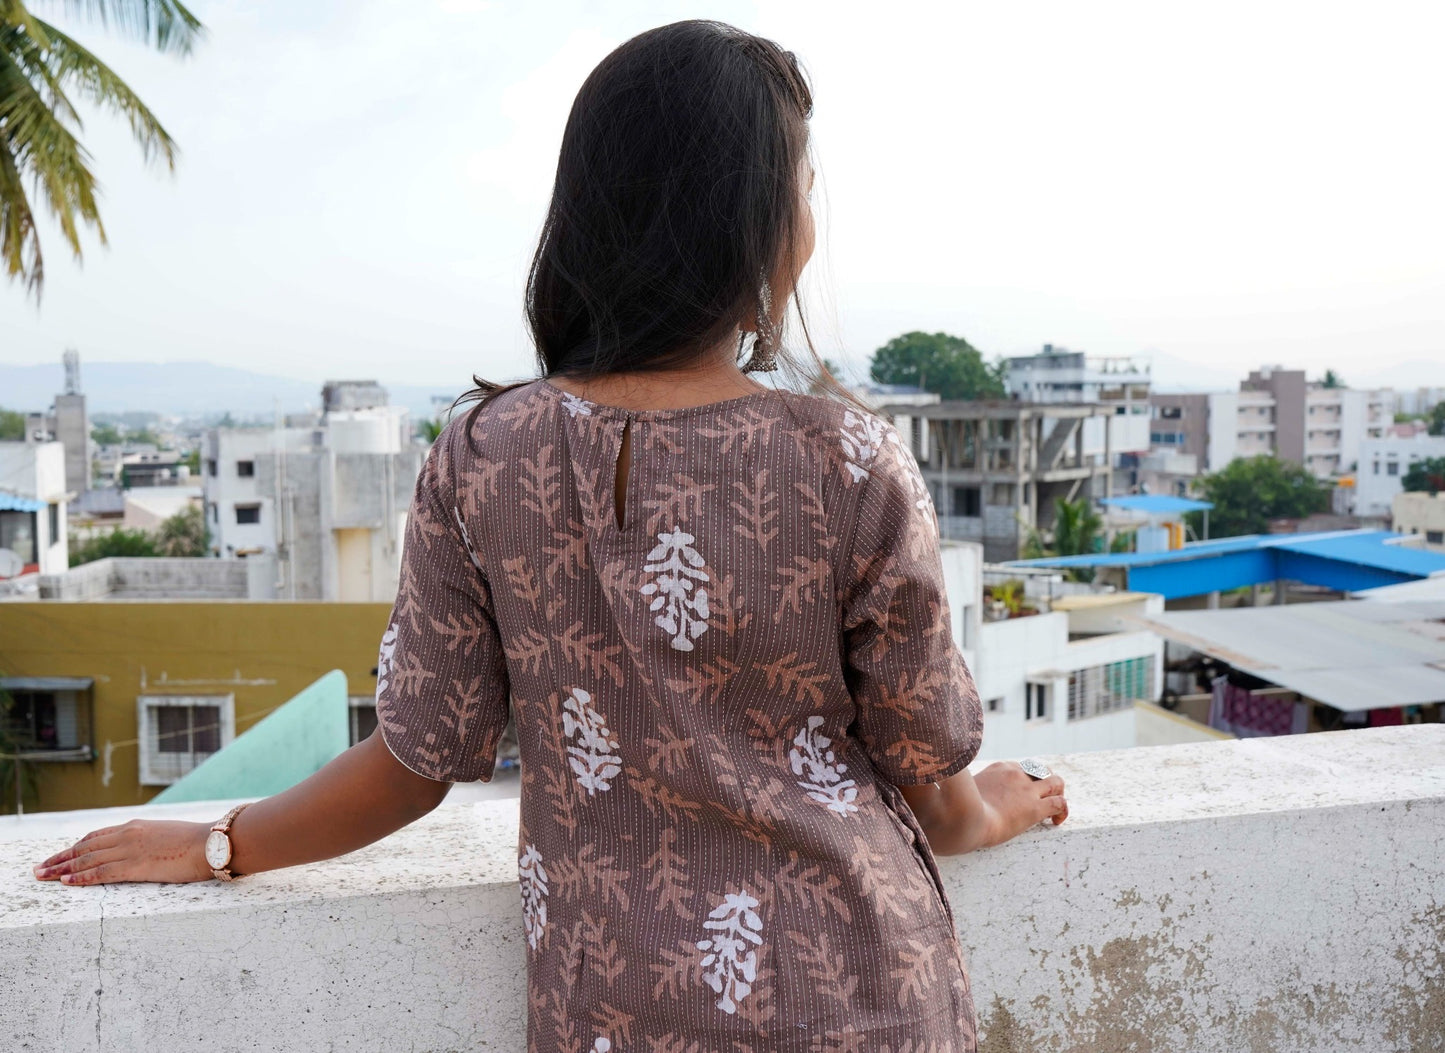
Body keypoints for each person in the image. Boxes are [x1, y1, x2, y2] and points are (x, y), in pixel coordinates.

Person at [33, 20, 1067, 1050]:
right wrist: (995, 811)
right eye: (800, 190)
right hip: (863, 1001)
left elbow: (412, 763)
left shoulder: (485, 455)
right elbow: (928, 776)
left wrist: (222, 843)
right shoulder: (848, 460)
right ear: (757, 226)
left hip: (613, 1014)